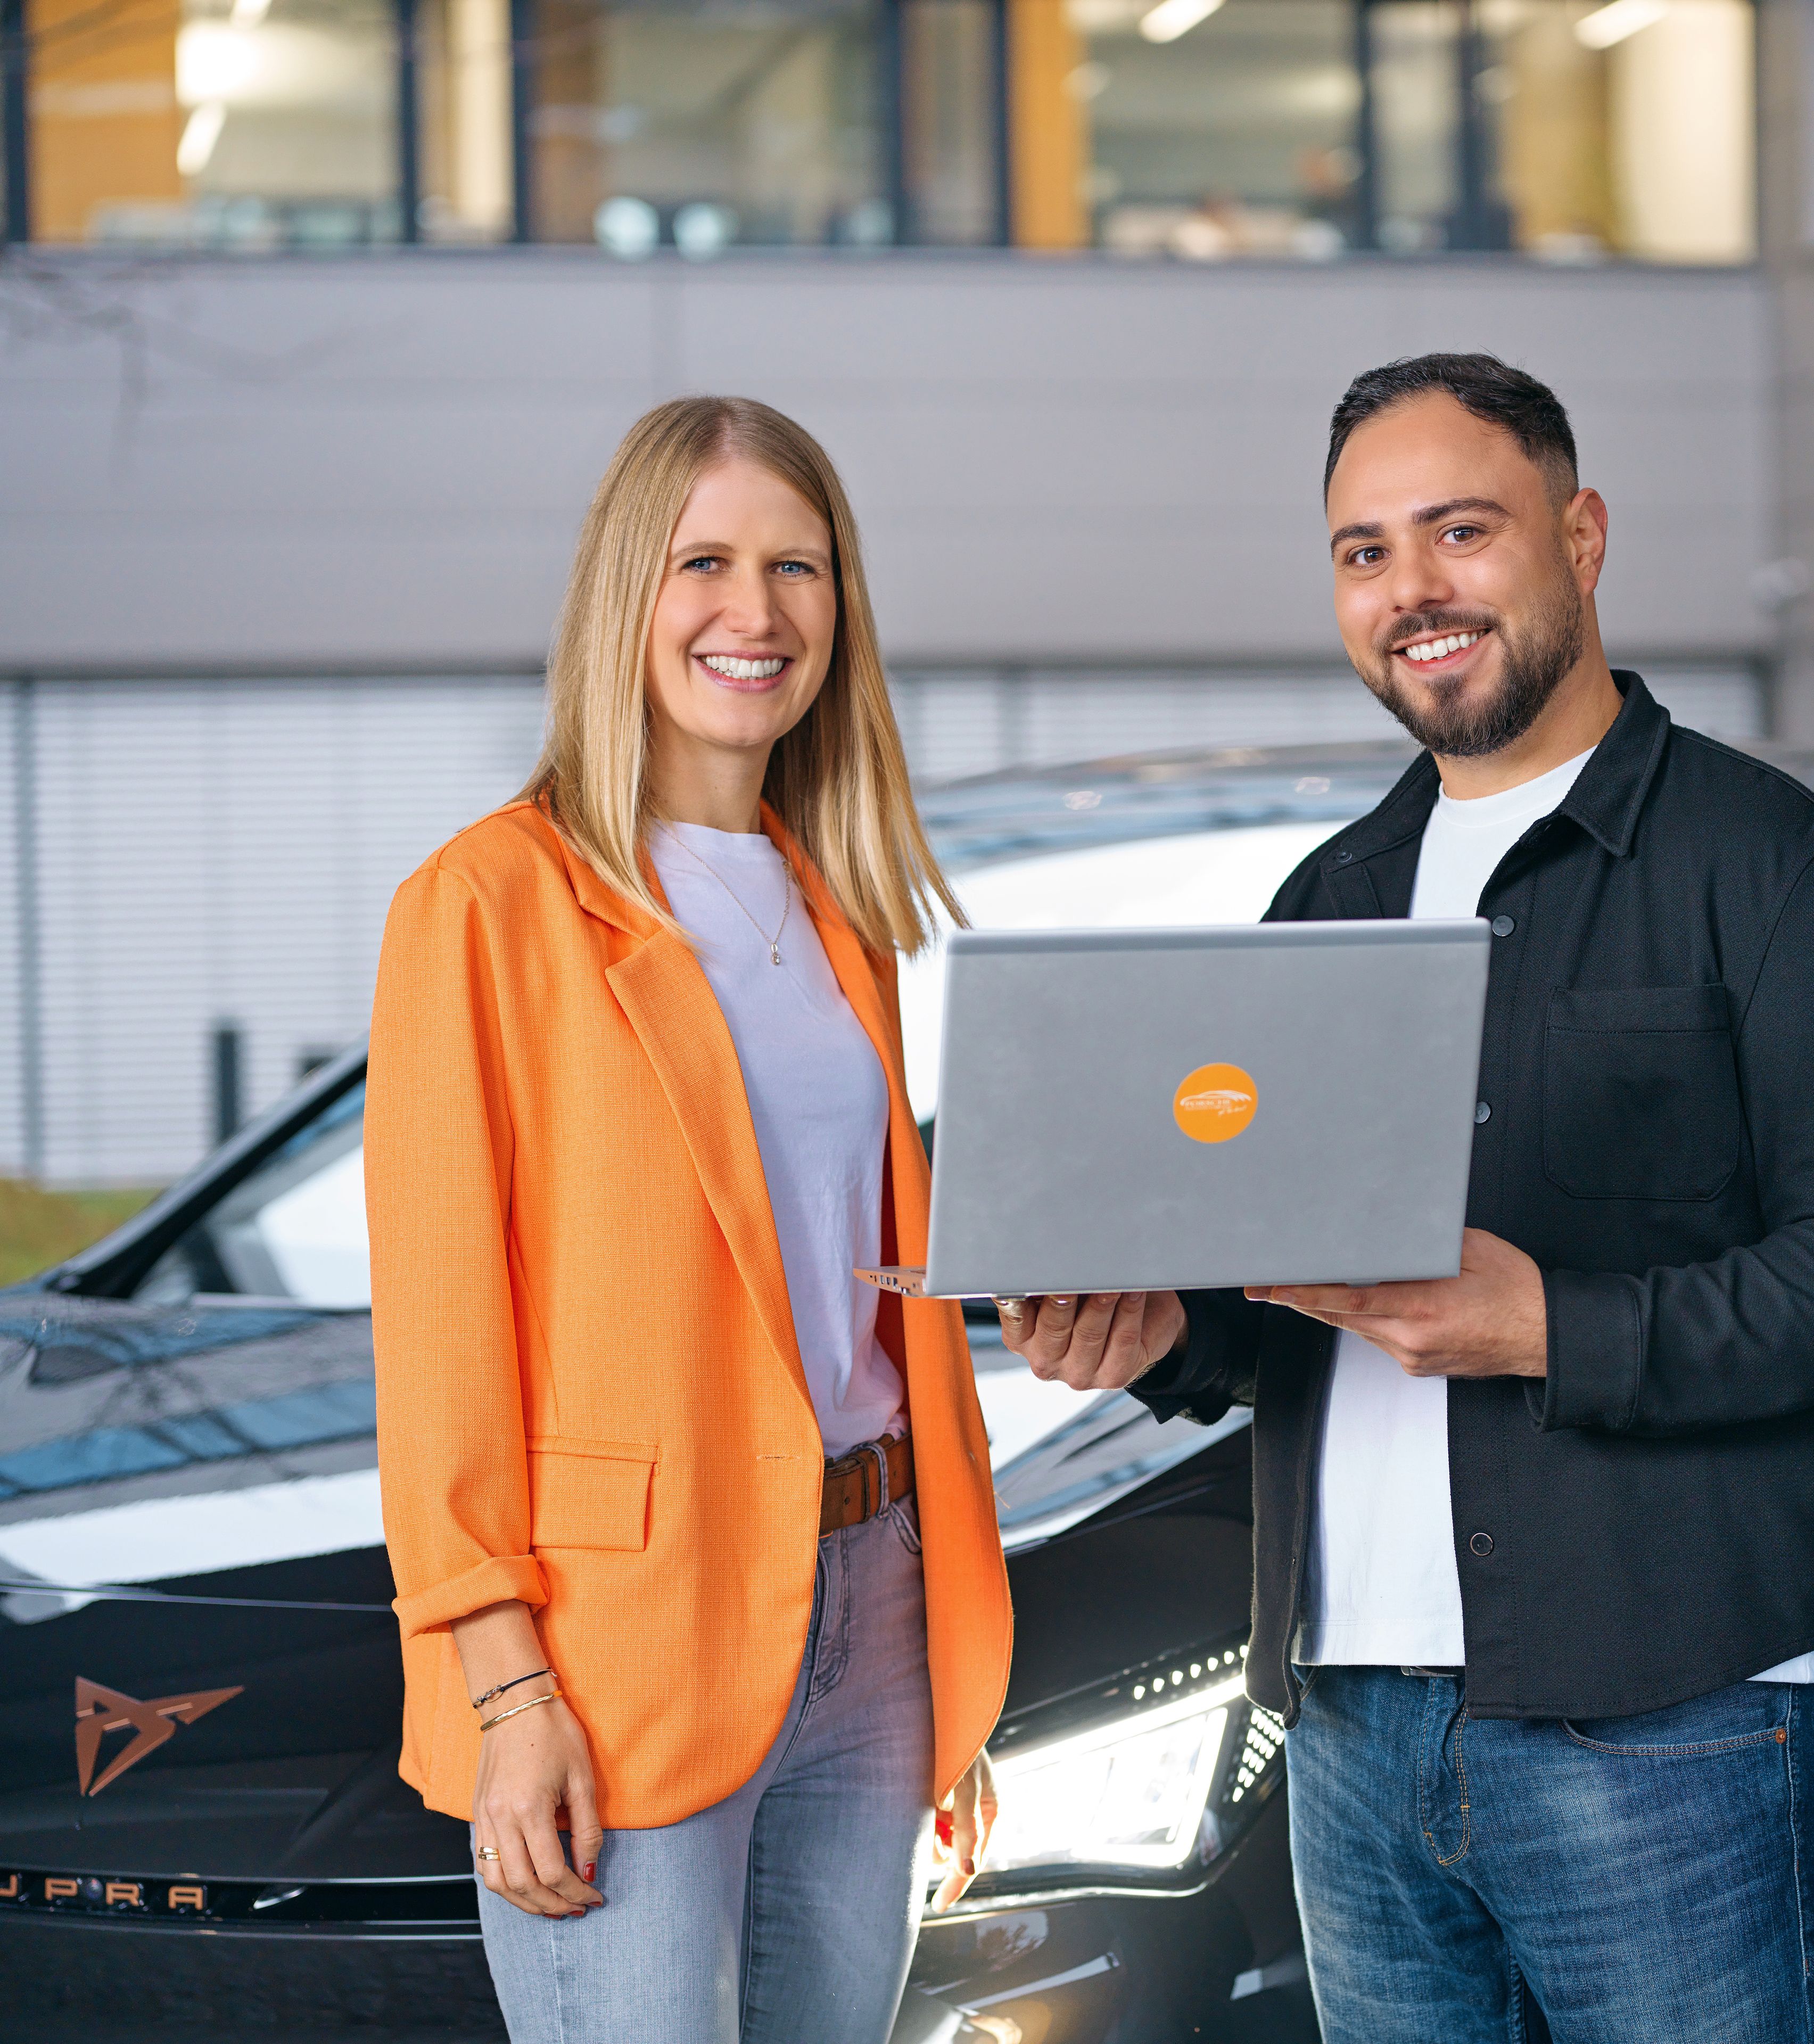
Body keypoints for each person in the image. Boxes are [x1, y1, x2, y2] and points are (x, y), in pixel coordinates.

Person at [997, 353, 1814, 2042]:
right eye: (1365, 551)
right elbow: (1289, 1299)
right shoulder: (1327, 901)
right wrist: (1165, 1333)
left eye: (1462, 530)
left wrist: (1556, 1324)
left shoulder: (1781, 872)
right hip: (1353, 1731)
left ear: (1581, 538)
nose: (1413, 591)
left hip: (1667, 1727)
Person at [365, 395, 1009, 2044]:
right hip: (620, 1642)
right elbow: (447, 1343)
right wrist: (505, 1688)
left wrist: (939, 1651)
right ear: (622, 596)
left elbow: (862, 1299)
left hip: (873, 1614)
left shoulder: (839, 905)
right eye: (706, 561)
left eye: (800, 566)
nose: (759, 611)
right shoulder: (488, 904)